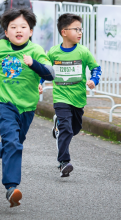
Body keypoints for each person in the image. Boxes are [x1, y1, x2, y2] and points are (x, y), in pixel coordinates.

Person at [0, 8, 55, 207]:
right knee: (13, 143)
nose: (18, 30)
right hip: (5, 104)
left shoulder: (36, 51)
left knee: (12, 144)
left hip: (27, 108)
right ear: (6, 32)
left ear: (31, 31)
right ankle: (11, 188)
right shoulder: (1, 46)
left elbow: (51, 74)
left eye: (23, 27)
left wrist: (34, 65)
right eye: (13, 27)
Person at [43, 13, 101, 177]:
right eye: (76, 29)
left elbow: (96, 68)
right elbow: (44, 70)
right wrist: (40, 84)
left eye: (80, 29)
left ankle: (57, 124)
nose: (80, 32)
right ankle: (63, 162)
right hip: (60, 98)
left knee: (74, 129)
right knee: (66, 129)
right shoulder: (54, 53)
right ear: (64, 32)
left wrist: (93, 80)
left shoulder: (83, 52)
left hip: (78, 98)